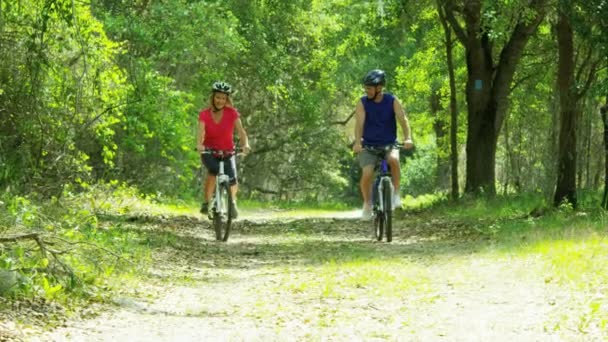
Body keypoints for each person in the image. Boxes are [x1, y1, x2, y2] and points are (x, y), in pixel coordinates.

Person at [353, 69, 414, 220]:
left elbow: (403, 120)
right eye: (365, 88)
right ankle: (367, 203)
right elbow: (359, 124)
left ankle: (396, 194)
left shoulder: (392, 100)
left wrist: (408, 138)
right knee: (367, 173)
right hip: (368, 145)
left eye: (369, 88)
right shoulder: (362, 103)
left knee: (393, 160)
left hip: (389, 144)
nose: (366, 91)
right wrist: (357, 142)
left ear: (379, 88)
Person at [197, 81, 250, 219]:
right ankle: (207, 202)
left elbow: (241, 131)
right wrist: (199, 145)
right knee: (213, 172)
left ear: (227, 99)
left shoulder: (232, 113)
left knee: (232, 179)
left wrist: (245, 144)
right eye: (217, 97)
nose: (220, 100)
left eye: (223, 98)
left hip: (227, 151)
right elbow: (200, 132)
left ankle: (232, 202)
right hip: (209, 151)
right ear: (213, 98)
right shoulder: (204, 114)